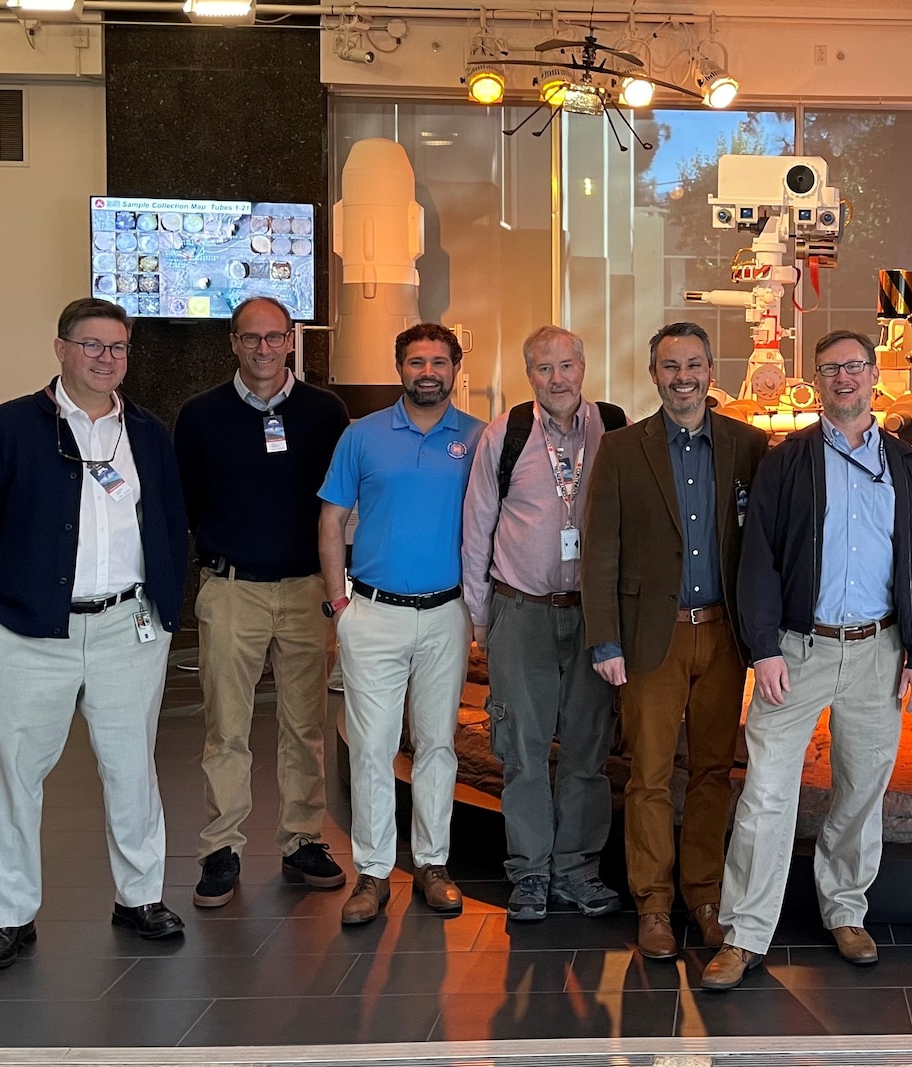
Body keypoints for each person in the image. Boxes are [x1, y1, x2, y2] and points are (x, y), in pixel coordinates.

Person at [702, 331, 912, 989]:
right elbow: (757, 559)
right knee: (765, 794)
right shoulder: (786, 463)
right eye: (830, 368)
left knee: (861, 789)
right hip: (798, 648)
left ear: (873, 376)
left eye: (854, 366)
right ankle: (744, 931)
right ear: (815, 381)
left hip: (880, 650)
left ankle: (845, 908)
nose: (843, 377)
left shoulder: (907, 466)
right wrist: (763, 647)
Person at [0, 297, 190, 970]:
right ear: (60, 349)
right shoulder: (9, 427)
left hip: (127, 628)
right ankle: (10, 917)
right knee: (12, 779)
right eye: (91, 345)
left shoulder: (145, 432)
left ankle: (139, 897)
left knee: (132, 770)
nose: (105, 358)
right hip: (25, 635)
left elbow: (169, 521)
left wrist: (166, 611)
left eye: (117, 347)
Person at [580, 322, 769, 960]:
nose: (681, 376)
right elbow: (600, 550)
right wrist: (604, 640)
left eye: (693, 364)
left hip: (724, 638)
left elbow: (762, 547)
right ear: (653, 372)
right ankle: (653, 905)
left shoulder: (749, 445)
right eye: (669, 365)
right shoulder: (622, 449)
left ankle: (706, 896)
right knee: (650, 777)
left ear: (711, 372)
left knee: (715, 772)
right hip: (648, 640)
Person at [175, 296, 351, 908]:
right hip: (231, 590)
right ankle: (220, 847)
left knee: (306, 725)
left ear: (291, 342)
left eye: (274, 337)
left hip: (307, 591)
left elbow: (339, 502)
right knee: (227, 727)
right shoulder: (200, 416)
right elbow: (187, 503)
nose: (263, 348)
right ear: (233, 342)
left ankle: (302, 838)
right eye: (251, 338)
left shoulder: (325, 412)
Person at [317, 322, 483, 925]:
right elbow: (332, 519)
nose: (429, 371)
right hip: (373, 613)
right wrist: (339, 604)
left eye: (440, 361)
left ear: (456, 369)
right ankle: (373, 871)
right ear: (400, 367)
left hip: (446, 613)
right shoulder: (360, 437)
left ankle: (433, 865)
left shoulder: (477, 438)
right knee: (372, 747)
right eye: (417, 361)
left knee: (438, 744)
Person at [460, 326, 626, 923]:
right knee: (522, 751)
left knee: (587, 749)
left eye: (566, 366)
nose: (557, 379)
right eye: (542, 369)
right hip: (521, 611)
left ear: (584, 366)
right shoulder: (505, 435)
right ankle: (530, 873)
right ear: (528, 375)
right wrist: (484, 621)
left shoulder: (614, 428)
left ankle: (578, 872)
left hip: (593, 617)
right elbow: (477, 529)